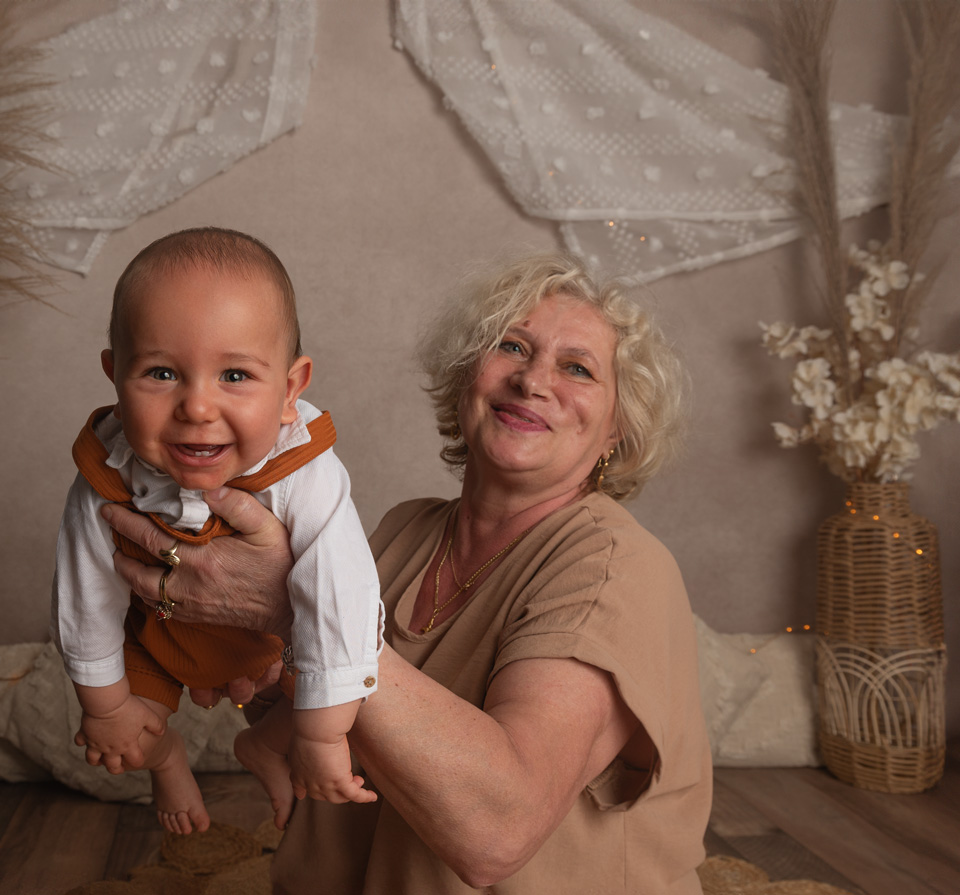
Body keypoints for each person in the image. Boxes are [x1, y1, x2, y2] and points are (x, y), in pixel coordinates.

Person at [100, 249, 712, 893]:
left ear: (617, 428)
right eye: (510, 347)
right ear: (465, 373)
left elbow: (496, 835)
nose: (533, 382)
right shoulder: (406, 529)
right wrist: (236, 653)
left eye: (578, 369)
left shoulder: (614, 569)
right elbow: (327, 720)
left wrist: (294, 605)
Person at [52, 228, 384, 836]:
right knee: (121, 739)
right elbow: (84, 592)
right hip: (154, 640)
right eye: (159, 373)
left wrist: (319, 732)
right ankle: (167, 760)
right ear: (115, 375)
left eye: (234, 376)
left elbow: (341, 590)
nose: (197, 407)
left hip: (268, 649)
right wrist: (103, 704)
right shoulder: (105, 474)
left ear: (289, 391)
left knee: (345, 676)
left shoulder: (304, 471)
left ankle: (265, 742)